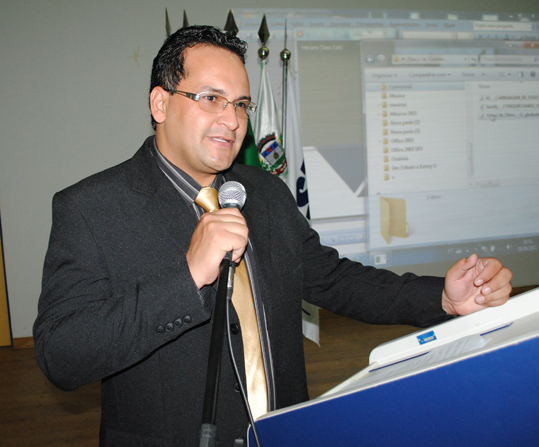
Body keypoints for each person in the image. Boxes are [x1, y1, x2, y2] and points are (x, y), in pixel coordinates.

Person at [33, 26, 512, 447]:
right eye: (211, 98)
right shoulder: (91, 208)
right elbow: (63, 354)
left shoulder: (263, 192)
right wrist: (188, 277)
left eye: (241, 104)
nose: (232, 120)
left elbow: (335, 280)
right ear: (160, 103)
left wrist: (442, 299)